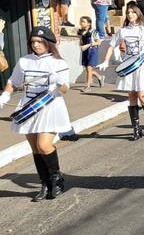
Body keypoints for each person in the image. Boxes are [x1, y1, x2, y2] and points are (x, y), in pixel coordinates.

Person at [0, 27, 70, 201]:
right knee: (35, 148)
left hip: (50, 107)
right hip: (28, 108)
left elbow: (65, 89)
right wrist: (5, 95)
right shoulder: (24, 61)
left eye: (40, 42)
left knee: (44, 145)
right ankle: (45, 183)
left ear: (48, 43)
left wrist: (59, 81)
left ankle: (57, 179)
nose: (36, 45)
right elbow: (13, 81)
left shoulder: (59, 63)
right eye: (33, 42)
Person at [97, 3, 144, 140]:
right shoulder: (123, 30)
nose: (130, 15)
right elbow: (111, 45)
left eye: (133, 12)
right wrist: (106, 61)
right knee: (131, 96)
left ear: (138, 14)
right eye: (128, 12)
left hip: (142, 65)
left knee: (143, 96)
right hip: (128, 66)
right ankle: (136, 129)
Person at [78, 16, 104, 91]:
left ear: (89, 23)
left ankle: (88, 86)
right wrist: (81, 46)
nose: (81, 23)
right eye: (81, 21)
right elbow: (81, 41)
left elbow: (98, 42)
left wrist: (88, 45)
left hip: (92, 51)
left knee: (89, 68)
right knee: (88, 70)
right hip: (85, 51)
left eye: (83, 21)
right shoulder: (80, 31)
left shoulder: (94, 32)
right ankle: (99, 77)